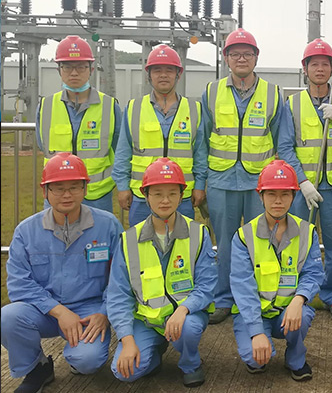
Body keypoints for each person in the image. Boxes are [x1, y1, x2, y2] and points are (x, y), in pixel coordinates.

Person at [2, 153, 123, 393]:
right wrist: (59, 311)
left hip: (89, 311)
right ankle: (37, 368)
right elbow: (18, 283)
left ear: (85, 188)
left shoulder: (108, 225)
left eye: (74, 187)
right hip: (44, 311)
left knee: (88, 361)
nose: (67, 195)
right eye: (58, 188)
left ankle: (77, 358)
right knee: (7, 317)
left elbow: (122, 278)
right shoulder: (26, 231)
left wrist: (104, 313)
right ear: (45, 191)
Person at [107, 158, 216, 387]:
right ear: (145, 195)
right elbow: (118, 296)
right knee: (124, 372)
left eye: (172, 193)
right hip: (146, 320)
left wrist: (183, 309)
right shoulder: (128, 240)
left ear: (181, 195)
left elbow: (207, 285)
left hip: (185, 317)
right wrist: (127, 340)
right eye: (157, 194)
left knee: (188, 329)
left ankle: (190, 363)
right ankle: (154, 350)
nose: (165, 200)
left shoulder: (198, 233)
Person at [202, 28, 284, 324]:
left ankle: (258, 297)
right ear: (225, 58)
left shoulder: (273, 94)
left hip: (258, 184)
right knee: (224, 243)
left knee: (260, 241)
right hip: (221, 181)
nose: (241, 59)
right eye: (234, 54)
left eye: (247, 54)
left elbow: (282, 139)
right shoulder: (211, 92)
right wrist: (201, 182)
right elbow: (202, 140)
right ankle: (224, 298)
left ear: (256, 58)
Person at [278, 38, 332, 320]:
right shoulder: (292, 104)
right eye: (314, 64)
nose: (319, 69)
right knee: (297, 241)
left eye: (325, 64)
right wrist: (302, 181)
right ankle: (295, 294)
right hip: (302, 188)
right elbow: (285, 147)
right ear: (305, 69)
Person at [230, 160, 324, 381]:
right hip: (254, 313)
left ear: (293, 196)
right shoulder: (244, 236)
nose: (278, 201)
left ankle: (296, 358)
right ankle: (258, 343)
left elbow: (313, 273)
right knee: (256, 359)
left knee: (304, 314)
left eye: (285, 194)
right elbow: (243, 287)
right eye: (271, 194)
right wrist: (256, 331)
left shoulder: (307, 232)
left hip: (288, 311)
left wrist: (299, 300)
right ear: (260, 196)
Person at [113, 44, 208, 226]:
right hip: (143, 196)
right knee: (141, 241)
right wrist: (123, 187)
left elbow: (200, 153)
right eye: (157, 70)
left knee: (182, 242)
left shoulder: (194, 110)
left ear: (178, 74)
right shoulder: (134, 108)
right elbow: (123, 152)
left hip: (180, 196)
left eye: (169, 70)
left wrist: (199, 185)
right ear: (148, 75)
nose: (163, 75)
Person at [36, 35, 122, 213]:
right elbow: (42, 143)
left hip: (97, 194)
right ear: (59, 70)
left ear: (91, 69)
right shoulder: (45, 106)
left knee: (98, 231)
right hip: (57, 193)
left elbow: (118, 148)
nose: (74, 73)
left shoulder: (110, 106)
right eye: (67, 67)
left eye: (81, 67)